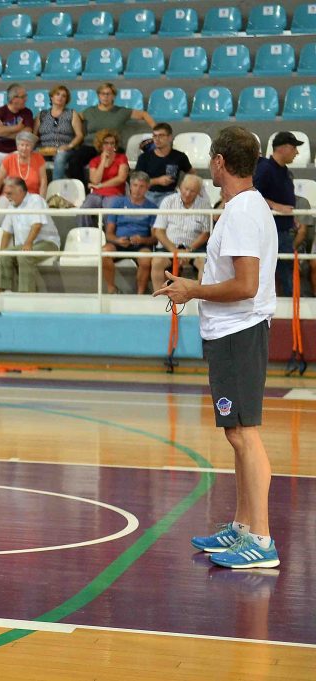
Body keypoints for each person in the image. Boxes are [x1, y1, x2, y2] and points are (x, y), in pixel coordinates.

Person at [155, 126, 280, 569]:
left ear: (220, 162)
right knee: (237, 432)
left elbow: (246, 285)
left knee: (244, 434)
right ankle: (244, 527)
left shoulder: (243, 212)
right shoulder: (245, 207)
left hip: (238, 332)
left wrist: (193, 289)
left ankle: (261, 540)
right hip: (233, 332)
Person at [67, 83, 156, 183]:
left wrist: (156, 130)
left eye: (108, 94)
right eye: (103, 93)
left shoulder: (121, 111)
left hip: (112, 146)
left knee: (121, 163)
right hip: (91, 145)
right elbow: (74, 117)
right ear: (98, 95)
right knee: (74, 161)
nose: (105, 96)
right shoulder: (89, 111)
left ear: (113, 96)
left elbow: (143, 114)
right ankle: (83, 188)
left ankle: (122, 188)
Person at [254, 131, 304, 297]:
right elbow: (252, 193)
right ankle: (291, 305)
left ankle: (292, 305)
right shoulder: (265, 169)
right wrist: (276, 206)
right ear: (283, 148)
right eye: (294, 148)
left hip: (282, 229)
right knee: (284, 274)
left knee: (287, 272)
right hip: (272, 231)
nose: (297, 152)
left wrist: (290, 217)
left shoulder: (282, 170)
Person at [0, 177, 61, 293]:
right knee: (5, 254)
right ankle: (3, 290)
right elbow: (6, 232)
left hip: (47, 242)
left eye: (9, 193)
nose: (6, 196)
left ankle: (25, 294)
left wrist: (28, 243)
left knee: (24, 256)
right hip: (25, 245)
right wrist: (1, 252)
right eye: (5, 193)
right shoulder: (12, 206)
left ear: (20, 190)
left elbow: (37, 225)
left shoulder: (35, 200)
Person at [150, 174, 211, 291]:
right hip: (168, 247)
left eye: (192, 191)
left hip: (194, 248)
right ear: (180, 187)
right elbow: (158, 231)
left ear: (199, 192)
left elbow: (205, 233)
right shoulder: (168, 201)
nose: (187, 193)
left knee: (205, 264)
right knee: (157, 262)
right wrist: (175, 251)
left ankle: (201, 296)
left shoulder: (205, 205)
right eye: (186, 189)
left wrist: (188, 250)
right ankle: (158, 297)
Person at [102, 171, 156, 294]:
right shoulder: (118, 203)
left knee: (146, 259)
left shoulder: (152, 207)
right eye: (135, 185)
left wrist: (142, 240)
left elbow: (154, 238)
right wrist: (117, 240)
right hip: (119, 242)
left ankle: (140, 294)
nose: (138, 189)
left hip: (142, 244)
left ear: (147, 188)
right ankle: (112, 289)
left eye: (142, 186)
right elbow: (109, 233)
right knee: (104, 253)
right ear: (130, 186)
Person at [0, 84, 34, 182]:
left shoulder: (27, 112)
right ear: (14, 99)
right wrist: (17, 128)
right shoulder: (0, 111)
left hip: (17, 150)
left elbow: (27, 134)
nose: (26, 99)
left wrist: (5, 131)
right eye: (23, 97)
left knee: (18, 168)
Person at [79, 129, 129, 228]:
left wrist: (101, 185)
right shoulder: (94, 161)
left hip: (115, 193)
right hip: (97, 193)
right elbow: (95, 180)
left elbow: (121, 178)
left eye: (112, 143)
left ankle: (109, 235)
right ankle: (87, 233)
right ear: (100, 145)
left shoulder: (122, 158)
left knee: (109, 210)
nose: (109, 146)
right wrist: (102, 161)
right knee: (84, 210)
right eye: (106, 143)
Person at [135, 123, 193, 206]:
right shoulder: (144, 157)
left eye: (161, 136)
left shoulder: (179, 156)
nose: (157, 139)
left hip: (171, 194)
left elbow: (192, 173)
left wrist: (184, 184)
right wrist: (158, 181)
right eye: (155, 136)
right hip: (149, 194)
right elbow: (137, 181)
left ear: (170, 137)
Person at [33, 85, 84, 181]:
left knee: (60, 157)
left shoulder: (72, 114)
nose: (60, 97)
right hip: (44, 148)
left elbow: (79, 135)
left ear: (66, 100)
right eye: (57, 94)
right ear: (52, 97)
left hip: (64, 148)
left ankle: (56, 186)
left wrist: (69, 146)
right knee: (32, 155)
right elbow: (34, 136)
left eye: (64, 96)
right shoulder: (42, 114)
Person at [0, 131, 46, 205]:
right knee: (3, 203)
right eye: (22, 145)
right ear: (17, 146)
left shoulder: (38, 159)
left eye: (27, 145)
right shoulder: (9, 159)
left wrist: (42, 202)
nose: (24, 148)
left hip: (32, 198)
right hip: (10, 197)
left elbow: (43, 181)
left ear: (32, 147)